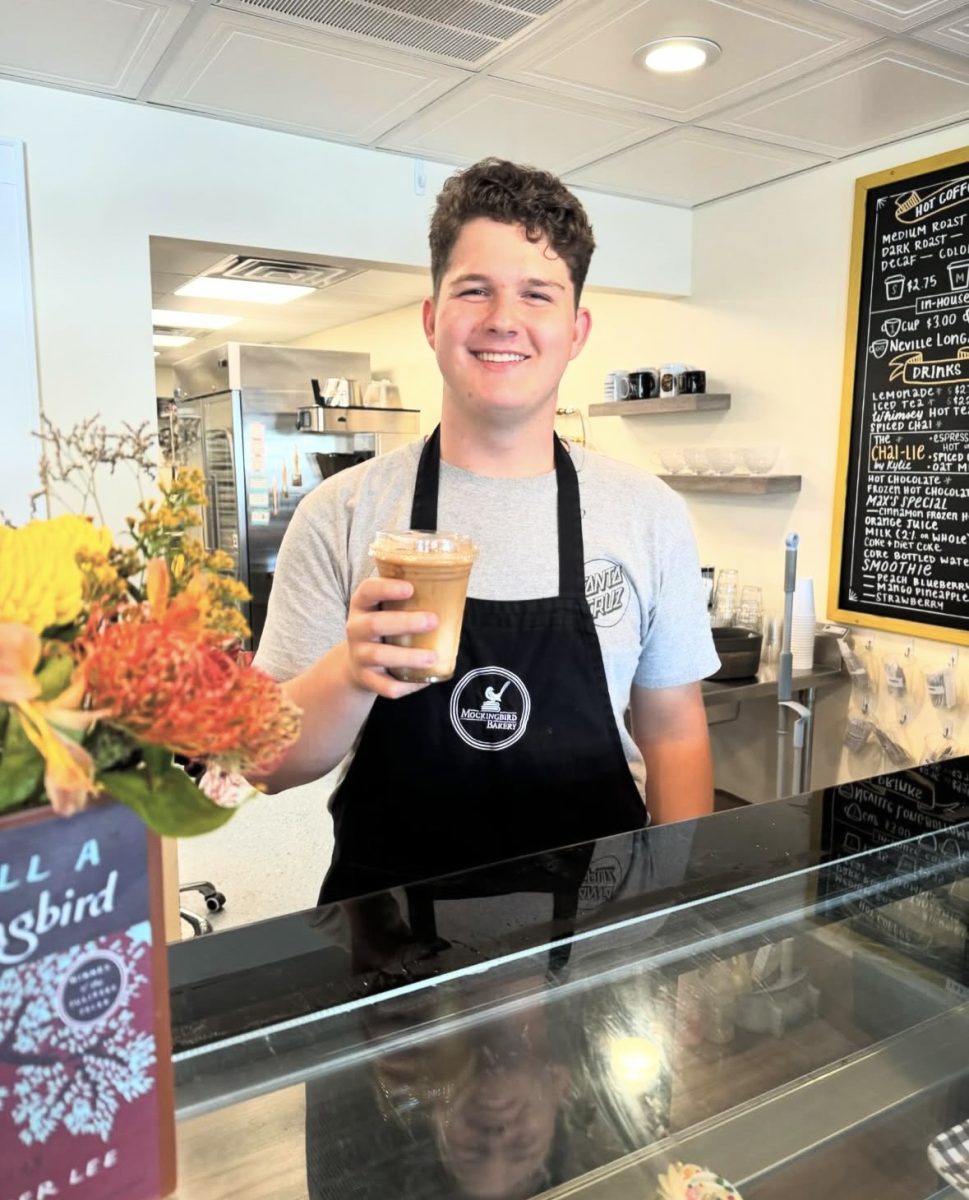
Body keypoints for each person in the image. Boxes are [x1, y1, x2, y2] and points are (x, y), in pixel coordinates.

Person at [253, 157, 719, 903]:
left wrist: (676, 902)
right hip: (393, 939)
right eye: (475, 290)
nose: (503, 319)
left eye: (537, 294)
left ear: (576, 329)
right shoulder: (341, 513)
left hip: (594, 932)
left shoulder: (647, 512)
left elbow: (672, 732)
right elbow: (263, 764)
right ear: (433, 318)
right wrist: (349, 669)